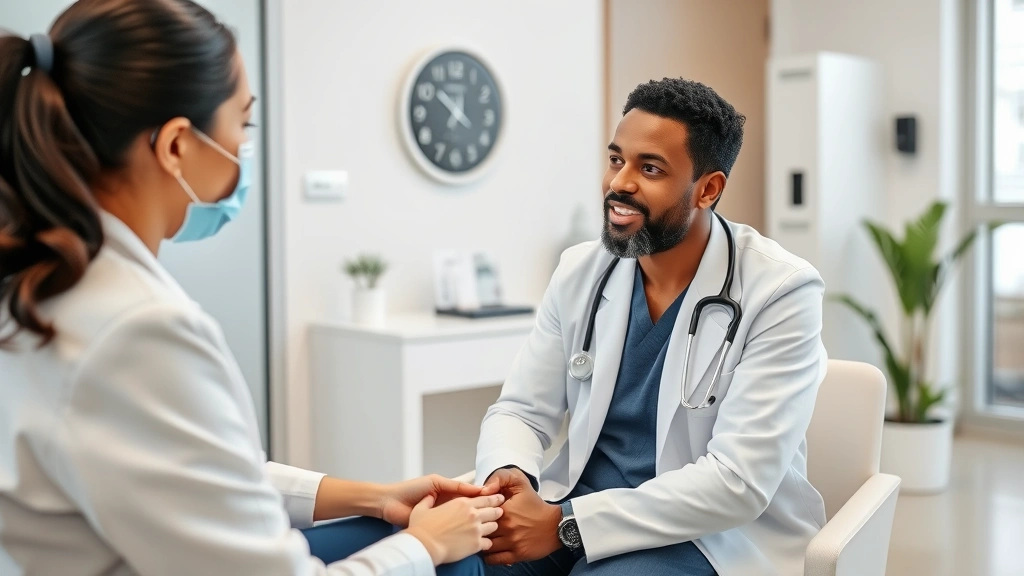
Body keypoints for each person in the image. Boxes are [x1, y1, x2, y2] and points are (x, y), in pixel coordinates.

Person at [0, 1, 502, 574]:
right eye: (243, 123)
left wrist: (373, 494)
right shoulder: (136, 331)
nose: (243, 148)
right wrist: (428, 546)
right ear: (176, 146)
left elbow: (196, 476)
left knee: (387, 524)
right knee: (454, 559)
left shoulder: (43, 277)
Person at [473, 78, 828, 576]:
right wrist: (507, 475)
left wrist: (562, 525)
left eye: (650, 168)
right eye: (617, 159)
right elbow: (521, 411)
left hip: (703, 533)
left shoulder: (781, 291)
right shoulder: (580, 271)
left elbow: (737, 482)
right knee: (454, 557)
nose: (620, 183)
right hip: (573, 501)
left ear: (708, 189)